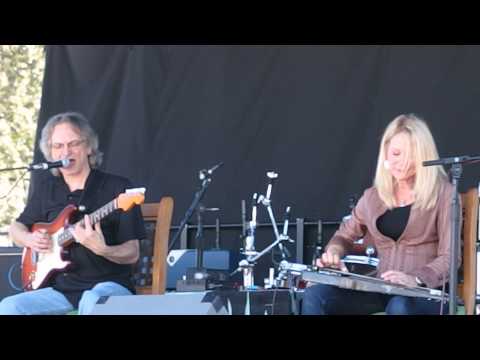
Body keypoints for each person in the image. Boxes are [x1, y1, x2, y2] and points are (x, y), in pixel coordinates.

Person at [302, 114, 458, 315]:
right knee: (316, 295)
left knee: (399, 307)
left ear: (424, 156)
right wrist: (334, 252)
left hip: (426, 293)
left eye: (410, 155)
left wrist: (416, 278)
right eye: (395, 153)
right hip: (380, 288)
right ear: (385, 153)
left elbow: (450, 257)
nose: (401, 162)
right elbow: (344, 236)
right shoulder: (373, 196)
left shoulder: (444, 194)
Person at [0, 112, 146, 315]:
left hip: (108, 285)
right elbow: (16, 228)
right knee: (9, 307)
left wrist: (103, 249)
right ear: (50, 153)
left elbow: (133, 253)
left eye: (73, 144)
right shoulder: (46, 189)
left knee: (91, 300)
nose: (65, 151)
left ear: (88, 147)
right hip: (61, 290)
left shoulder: (117, 188)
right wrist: (29, 239)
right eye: (58, 146)